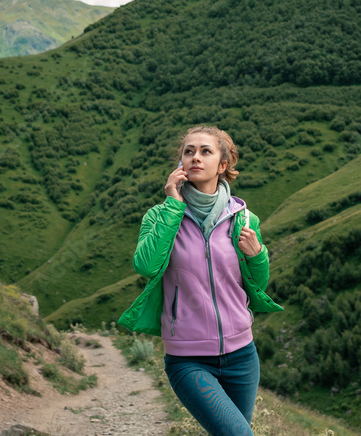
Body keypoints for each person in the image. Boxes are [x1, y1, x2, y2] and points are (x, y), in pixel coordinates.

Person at [117, 125, 283, 435]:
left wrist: (257, 254)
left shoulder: (244, 218)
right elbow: (146, 265)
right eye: (188, 151)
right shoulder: (159, 216)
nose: (195, 157)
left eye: (206, 151)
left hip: (242, 355)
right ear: (179, 163)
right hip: (188, 358)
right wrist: (173, 205)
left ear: (222, 165)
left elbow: (255, 283)